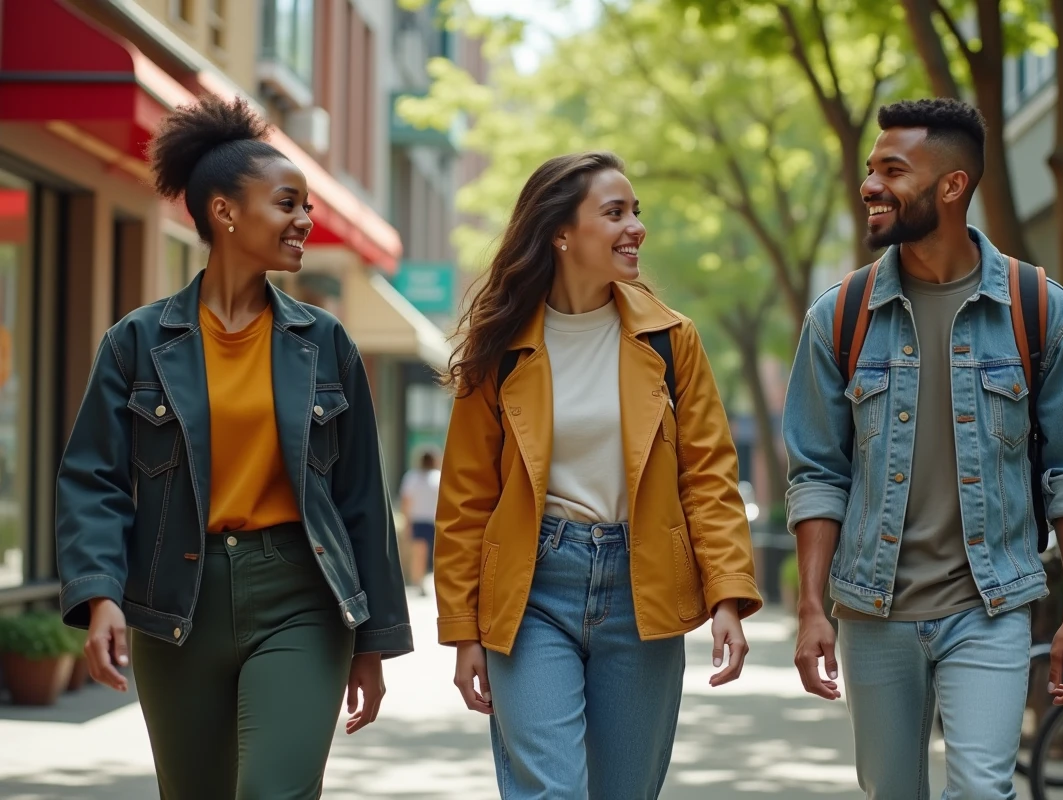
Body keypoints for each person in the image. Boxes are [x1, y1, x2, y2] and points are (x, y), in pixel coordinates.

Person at [55, 95, 412, 799]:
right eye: (287, 203)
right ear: (224, 212)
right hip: (174, 600)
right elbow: (91, 479)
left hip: (299, 593)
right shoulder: (137, 342)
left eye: (306, 205)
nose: (304, 220)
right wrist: (100, 595)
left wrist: (374, 640)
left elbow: (360, 496)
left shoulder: (326, 344)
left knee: (275, 791)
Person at [783, 98, 1063, 799]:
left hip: (988, 607)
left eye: (892, 170)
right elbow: (817, 473)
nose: (870, 184)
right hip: (874, 612)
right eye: (871, 169)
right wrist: (811, 606)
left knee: (983, 791)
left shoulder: (1039, 309)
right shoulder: (840, 317)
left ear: (952, 186)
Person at [434, 151, 763, 799]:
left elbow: (710, 479)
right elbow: (466, 500)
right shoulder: (499, 350)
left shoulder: (672, 341)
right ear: (561, 231)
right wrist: (463, 630)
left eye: (636, 213)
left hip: (642, 590)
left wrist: (728, 593)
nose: (635, 227)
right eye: (614, 213)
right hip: (532, 591)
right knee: (551, 791)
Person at [398, 448, 441, 594]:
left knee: (419, 553)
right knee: (434, 554)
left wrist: (406, 521)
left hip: (418, 519)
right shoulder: (437, 477)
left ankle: (419, 582)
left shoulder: (411, 477)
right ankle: (427, 582)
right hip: (434, 520)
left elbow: (406, 501)